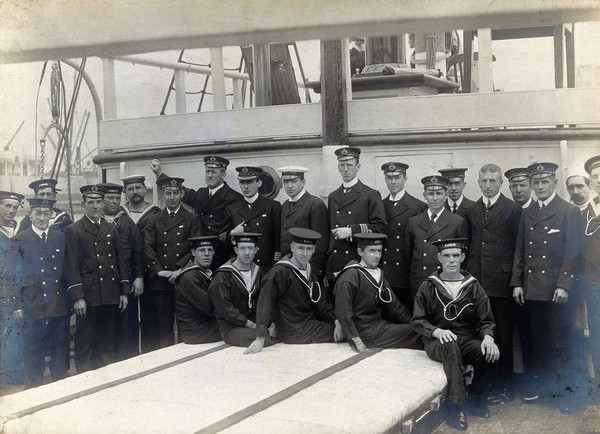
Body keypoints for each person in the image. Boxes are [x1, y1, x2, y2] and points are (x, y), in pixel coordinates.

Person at [510, 162, 585, 413]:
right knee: (540, 342)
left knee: (562, 343)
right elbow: (520, 250)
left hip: (557, 290)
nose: (540, 186)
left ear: (554, 183)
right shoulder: (527, 212)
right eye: (536, 182)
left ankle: (567, 395)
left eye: (544, 182)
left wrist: (564, 285)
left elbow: (573, 252)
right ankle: (546, 390)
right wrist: (517, 283)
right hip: (533, 289)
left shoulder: (568, 211)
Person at [412, 238, 499, 432]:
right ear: (439, 258)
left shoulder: (473, 286)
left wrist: (488, 337)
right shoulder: (428, 286)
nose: (451, 260)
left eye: (455, 256)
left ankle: (476, 399)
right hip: (438, 342)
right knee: (450, 344)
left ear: (463, 258)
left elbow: (486, 320)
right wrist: (436, 331)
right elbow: (417, 320)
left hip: (465, 340)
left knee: (489, 352)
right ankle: (455, 407)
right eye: (447, 256)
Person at [465, 164, 521, 403]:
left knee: (503, 336)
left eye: (492, 181)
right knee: (479, 335)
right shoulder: (472, 210)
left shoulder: (513, 209)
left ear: (500, 183)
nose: (488, 185)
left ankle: (503, 386)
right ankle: (483, 384)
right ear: (479, 183)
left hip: (502, 284)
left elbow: (520, 247)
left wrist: (515, 279)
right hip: (477, 284)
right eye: (484, 180)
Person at [64, 185, 129, 373]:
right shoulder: (74, 230)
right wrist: (78, 297)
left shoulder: (111, 228)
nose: (95, 206)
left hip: (110, 293)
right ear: (83, 204)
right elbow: (71, 266)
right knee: (85, 339)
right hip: (89, 295)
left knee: (106, 339)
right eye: (90, 202)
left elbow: (120, 261)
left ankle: (105, 376)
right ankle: (84, 378)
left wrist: (124, 292)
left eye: (98, 202)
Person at [245, 228, 342, 354]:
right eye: (300, 248)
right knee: (348, 331)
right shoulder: (279, 271)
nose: (305, 253)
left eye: (309, 249)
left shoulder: (308, 269)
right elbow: (265, 303)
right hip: (293, 329)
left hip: (306, 322)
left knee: (342, 325)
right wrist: (260, 337)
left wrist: (336, 320)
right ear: (292, 247)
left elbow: (319, 302)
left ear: (314, 250)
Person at [8, 198, 70, 388]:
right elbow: (11, 276)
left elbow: (67, 271)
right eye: (38, 213)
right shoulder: (18, 240)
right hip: (31, 307)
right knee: (33, 358)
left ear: (51, 214)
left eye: (46, 213)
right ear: (30, 215)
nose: (42, 218)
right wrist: (16, 304)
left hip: (57, 307)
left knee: (59, 357)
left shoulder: (60, 237)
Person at [333, 233, 422, 352]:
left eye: (379, 251)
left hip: (378, 326)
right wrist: (355, 339)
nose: (377, 256)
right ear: (360, 251)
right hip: (364, 333)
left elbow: (395, 307)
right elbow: (343, 310)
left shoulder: (377, 273)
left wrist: (414, 323)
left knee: (420, 330)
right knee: (420, 333)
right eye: (372, 251)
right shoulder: (350, 275)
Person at [143, 176, 203, 351]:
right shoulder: (153, 220)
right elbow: (147, 247)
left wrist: (180, 269)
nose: (172, 197)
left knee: (186, 323)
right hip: (161, 281)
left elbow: (195, 247)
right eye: (168, 193)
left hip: (184, 279)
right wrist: (158, 270)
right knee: (164, 327)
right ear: (162, 194)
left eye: (176, 193)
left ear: (182, 194)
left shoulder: (192, 219)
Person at [151, 156, 242, 269]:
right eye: (207, 171)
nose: (209, 175)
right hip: (199, 258)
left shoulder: (234, 198)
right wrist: (160, 174)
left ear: (223, 175)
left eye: (213, 172)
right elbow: (180, 191)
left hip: (221, 256)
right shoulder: (201, 194)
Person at [98, 182, 144, 361]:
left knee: (128, 323)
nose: (115, 202)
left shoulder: (126, 222)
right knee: (107, 324)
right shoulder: (98, 222)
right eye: (110, 198)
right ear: (102, 200)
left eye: (118, 198)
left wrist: (139, 277)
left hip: (127, 278)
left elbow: (138, 251)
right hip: (105, 282)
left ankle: (129, 360)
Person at [326, 147, 386, 282]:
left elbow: (380, 228)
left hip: (358, 262)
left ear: (358, 167)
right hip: (335, 262)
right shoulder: (333, 196)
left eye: (349, 165)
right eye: (342, 165)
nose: (346, 169)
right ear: (338, 168)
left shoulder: (370, 195)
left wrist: (352, 231)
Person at [406, 175, 468, 302]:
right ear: (424, 195)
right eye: (430, 193)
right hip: (419, 283)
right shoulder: (413, 222)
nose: (435, 198)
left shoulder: (457, 222)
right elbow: (408, 255)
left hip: (445, 284)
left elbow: (462, 258)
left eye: (439, 193)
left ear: (446, 195)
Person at [208, 233, 276, 347]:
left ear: (256, 250)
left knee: (280, 331)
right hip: (232, 327)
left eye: (250, 248)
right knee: (264, 339)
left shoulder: (258, 272)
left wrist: (272, 323)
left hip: (255, 323)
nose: (246, 253)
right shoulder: (223, 275)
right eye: (242, 248)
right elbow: (225, 309)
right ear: (236, 250)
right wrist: (251, 324)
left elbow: (267, 300)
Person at [380, 162, 427, 310]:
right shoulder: (379, 205)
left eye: (397, 177)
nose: (393, 182)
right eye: (389, 178)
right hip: (383, 272)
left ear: (405, 179)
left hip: (404, 274)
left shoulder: (418, 206)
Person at [224, 166, 281, 270]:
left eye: (249, 182)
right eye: (242, 182)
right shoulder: (232, 208)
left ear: (259, 183)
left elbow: (278, 239)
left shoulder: (272, 207)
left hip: (265, 266)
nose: (245, 187)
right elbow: (222, 239)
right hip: (241, 267)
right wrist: (231, 233)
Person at [278, 166, 329, 280]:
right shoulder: (285, 206)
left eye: (294, 181)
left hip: (306, 269)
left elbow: (321, 242)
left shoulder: (315, 204)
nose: (289, 186)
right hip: (287, 266)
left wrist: (313, 271)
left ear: (303, 182)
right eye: (286, 182)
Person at [173, 236, 221, 344]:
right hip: (195, 331)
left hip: (206, 325)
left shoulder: (204, 272)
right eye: (201, 250)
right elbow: (209, 307)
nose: (207, 254)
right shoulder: (189, 276)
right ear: (193, 253)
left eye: (210, 250)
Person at [0, 191, 25, 385]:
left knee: (15, 329)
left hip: (16, 290)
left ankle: (13, 374)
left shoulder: (18, 229)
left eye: (14, 207)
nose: (11, 210)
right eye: (7, 206)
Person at [582, 155, 600, 403]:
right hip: (595, 283)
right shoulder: (586, 210)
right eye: (595, 177)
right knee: (597, 333)